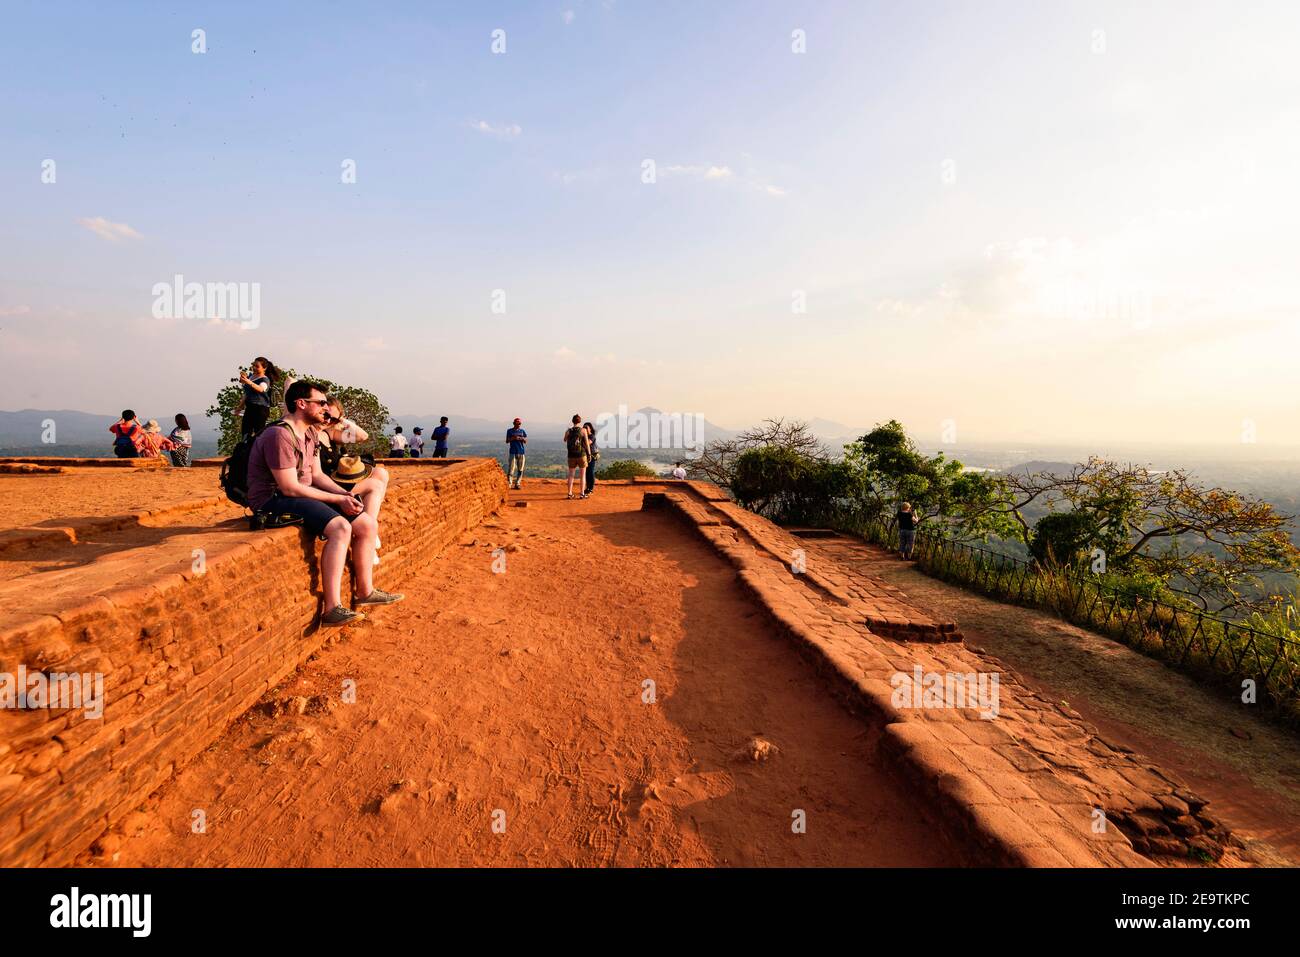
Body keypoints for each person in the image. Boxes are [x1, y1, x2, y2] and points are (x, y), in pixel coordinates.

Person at [245, 379, 403, 626]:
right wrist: (338, 498)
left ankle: (365, 592)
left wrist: (346, 495)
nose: (325, 409)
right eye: (320, 403)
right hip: (273, 499)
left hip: (300, 492)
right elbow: (289, 486)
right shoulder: (279, 435)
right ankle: (331, 608)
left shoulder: (309, 433)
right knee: (341, 528)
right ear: (300, 404)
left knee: (367, 525)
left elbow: (316, 475)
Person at [236, 357, 277, 439]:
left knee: (259, 433)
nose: (254, 368)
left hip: (260, 409)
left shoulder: (265, 379)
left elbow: (261, 389)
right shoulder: (251, 377)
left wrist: (248, 382)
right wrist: (240, 407)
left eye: (257, 366)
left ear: (264, 368)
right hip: (250, 408)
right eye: (253, 365)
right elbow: (247, 394)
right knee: (245, 432)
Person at [563, 414, 591, 500]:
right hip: (581, 455)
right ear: (580, 421)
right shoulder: (583, 430)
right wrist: (589, 454)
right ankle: (582, 494)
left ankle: (569, 494)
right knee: (582, 475)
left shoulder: (568, 431)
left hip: (571, 455)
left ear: (572, 421)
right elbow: (586, 443)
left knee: (571, 475)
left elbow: (564, 440)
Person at [505, 418, 527, 489]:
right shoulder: (509, 431)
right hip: (513, 452)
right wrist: (513, 438)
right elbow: (507, 441)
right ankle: (509, 484)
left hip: (521, 451)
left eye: (520, 423)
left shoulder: (522, 431)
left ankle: (517, 483)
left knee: (520, 469)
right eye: (517, 423)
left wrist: (522, 439)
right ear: (514, 423)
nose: (519, 425)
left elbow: (525, 441)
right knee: (511, 469)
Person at [583, 421, 599, 496]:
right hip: (585, 455)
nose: (585, 429)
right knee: (586, 472)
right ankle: (588, 488)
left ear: (590, 429)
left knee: (590, 472)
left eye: (587, 428)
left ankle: (591, 488)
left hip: (592, 455)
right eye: (584, 428)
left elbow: (587, 443)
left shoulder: (592, 436)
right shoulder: (584, 437)